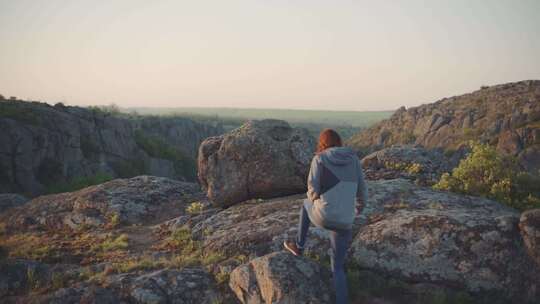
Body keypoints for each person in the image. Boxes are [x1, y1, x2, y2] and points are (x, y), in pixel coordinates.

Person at [283, 128, 368, 304]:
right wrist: (358, 208)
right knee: (337, 267)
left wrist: (316, 199)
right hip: (345, 220)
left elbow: (312, 190)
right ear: (339, 142)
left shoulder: (319, 159)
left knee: (305, 205)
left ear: (322, 143)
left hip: (323, 216)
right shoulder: (354, 160)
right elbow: (362, 191)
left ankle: (299, 246)